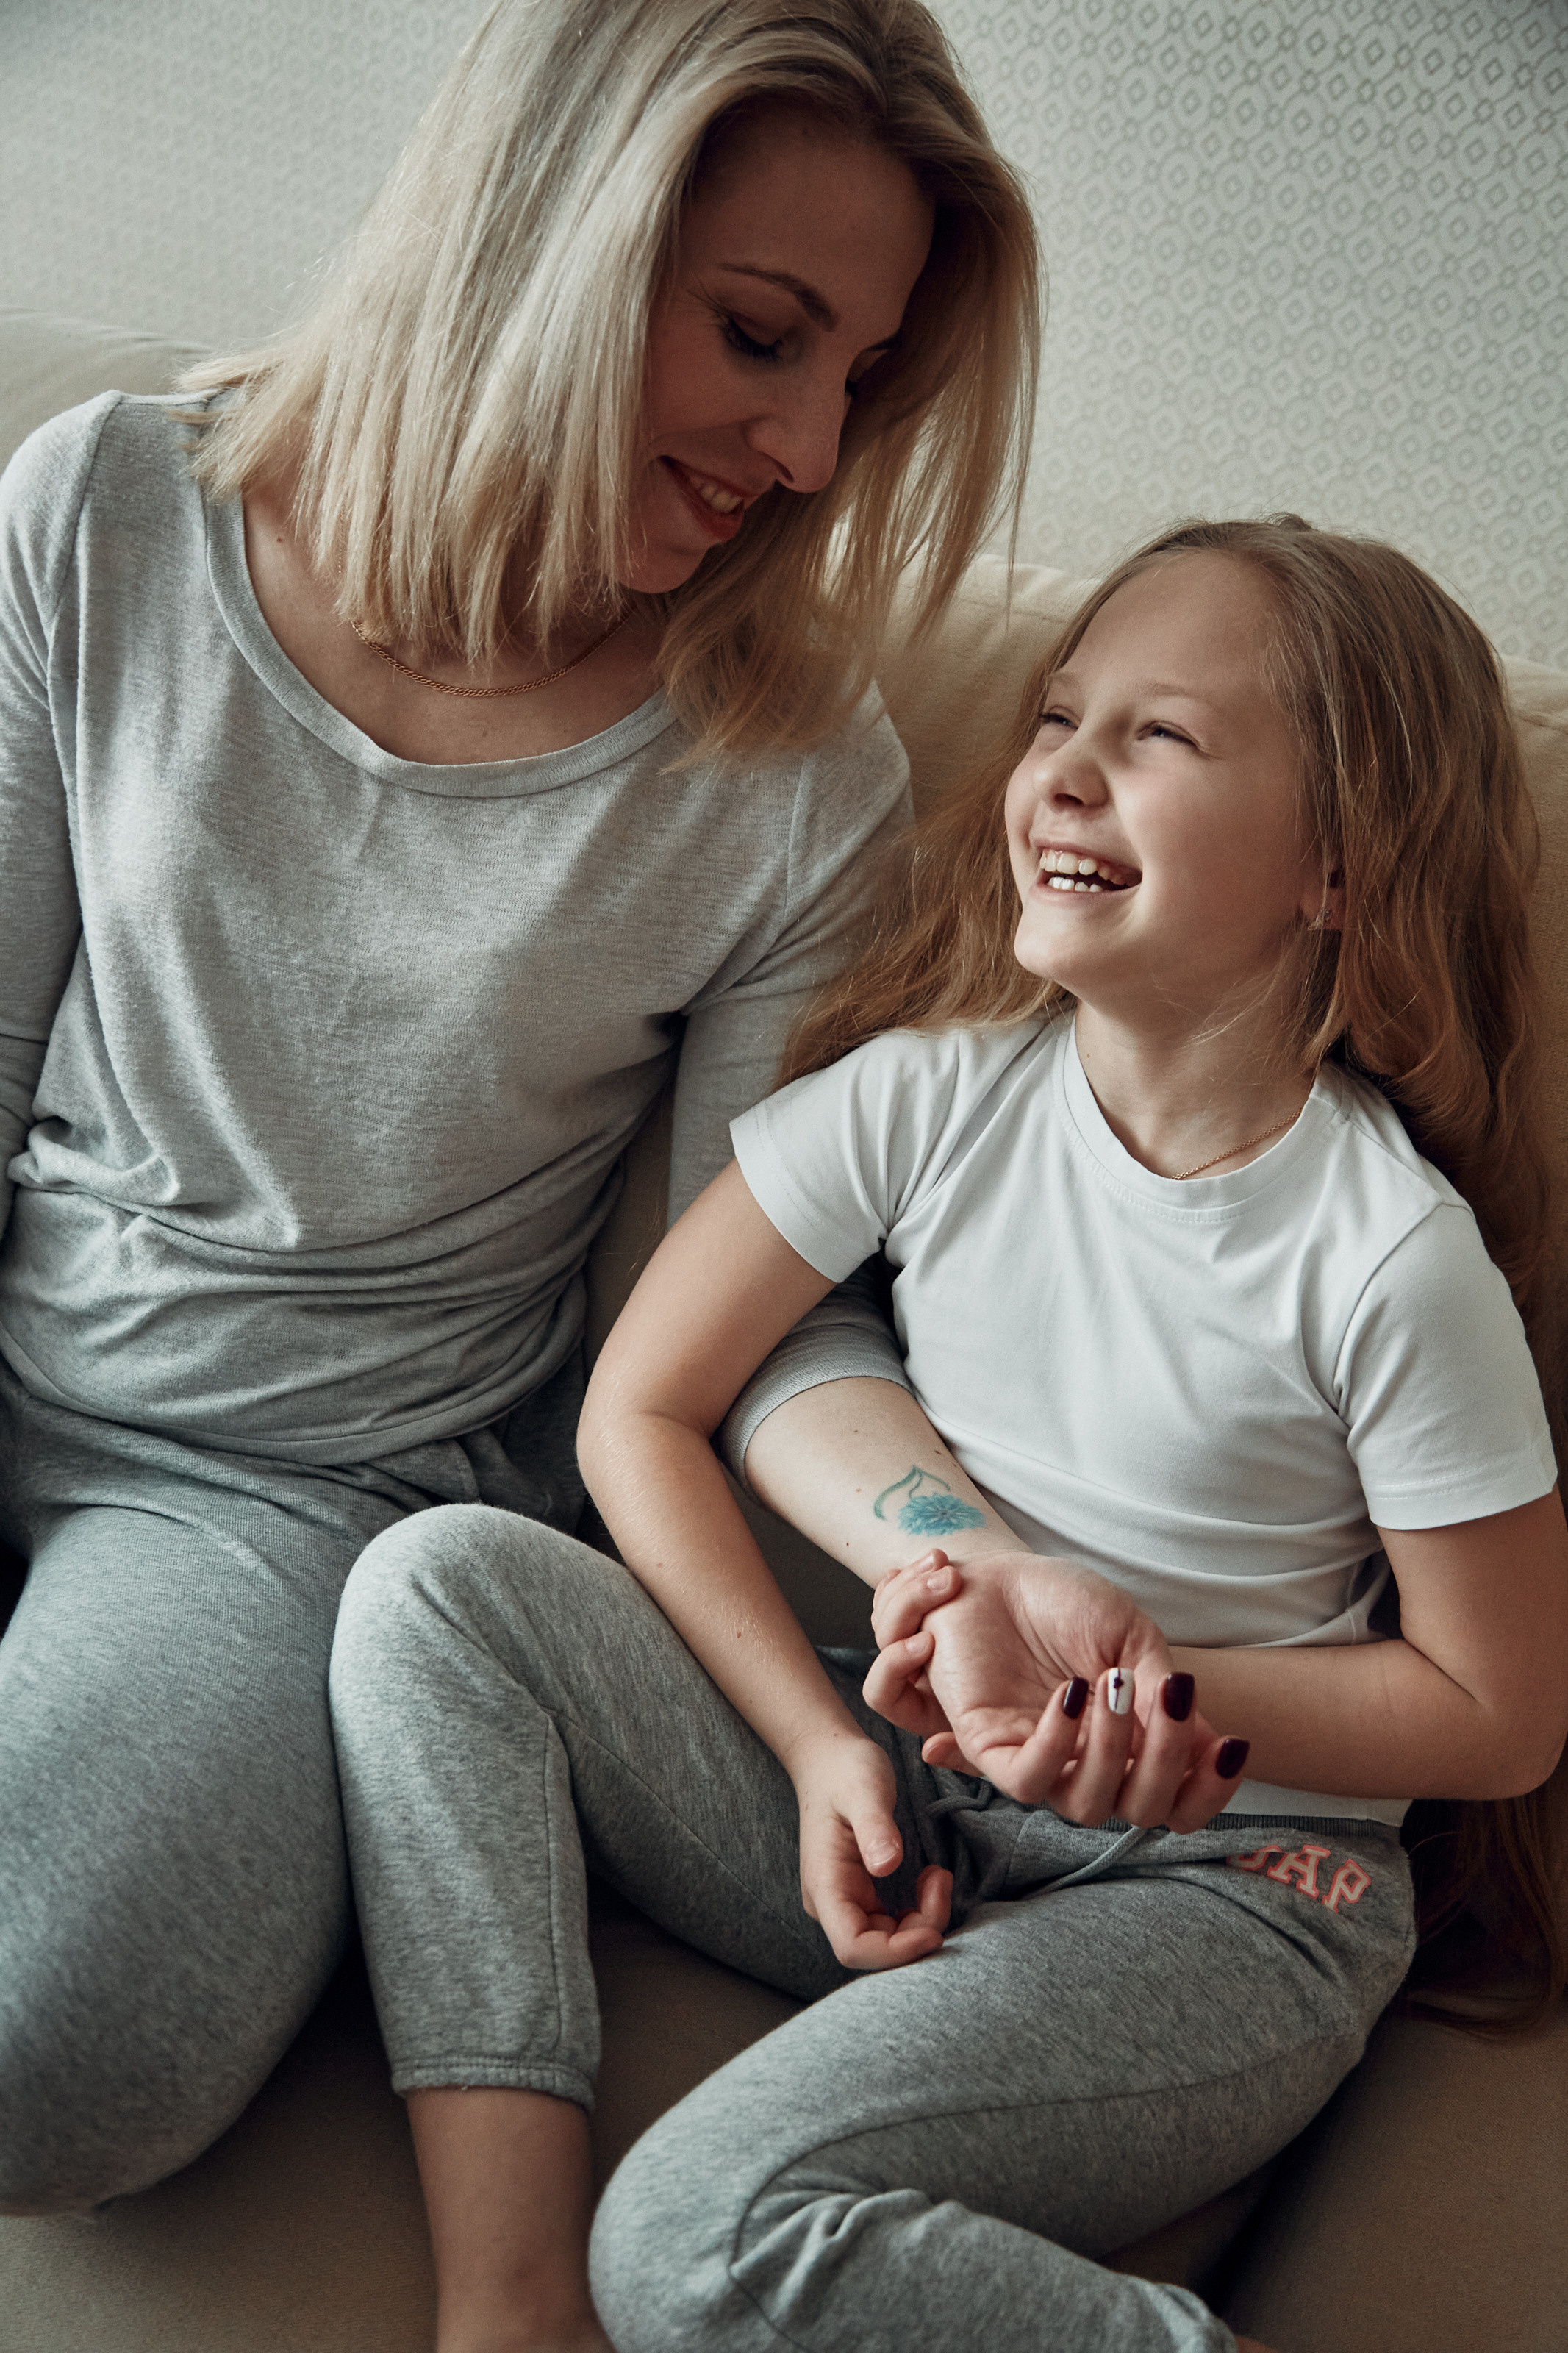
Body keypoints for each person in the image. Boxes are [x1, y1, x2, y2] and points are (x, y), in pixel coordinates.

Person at [0, 0, 1039, 2215]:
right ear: (541, 235)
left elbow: (749, 1313)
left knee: (39, 2052)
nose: (803, 451)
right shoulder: (100, 508)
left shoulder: (784, 776)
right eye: (761, 336)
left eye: (850, 379)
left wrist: (947, 1551)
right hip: (25, 1348)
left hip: (279, 1503)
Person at [329, 516, 1568, 2353]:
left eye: (1159, 736)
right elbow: (641, 1404)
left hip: (1226, 1896)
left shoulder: (1387, 1258)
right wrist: (822, 1747)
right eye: (1058, 713)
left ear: (1334, 863)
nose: (1057, 765)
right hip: (906, 1794)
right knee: (437, 1585)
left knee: (694, 2243)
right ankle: (504, 2306)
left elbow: (1496, 1709)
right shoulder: (929, 1095)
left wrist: (1149, 1695)